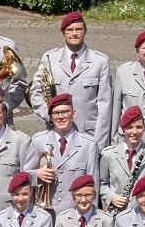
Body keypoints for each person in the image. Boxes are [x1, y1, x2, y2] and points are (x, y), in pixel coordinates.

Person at [30, 11, 114, 148]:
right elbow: (35, 93)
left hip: (88, 135)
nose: (74, 33)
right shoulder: (49, 59)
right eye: (70, 30)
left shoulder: (100, 61)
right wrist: (51, 116)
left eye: (78, 29)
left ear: (85, 31)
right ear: (63, 32)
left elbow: (105, 106)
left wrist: (100, 144)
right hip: (56, 133)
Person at [29, 93, 98, 214]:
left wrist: (90, 215)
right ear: (50, 117)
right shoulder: (38, 140)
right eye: (55, 113)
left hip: (75, 214)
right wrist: (37, 174)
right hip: (44, 214)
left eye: (65, 112)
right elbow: (24, 175)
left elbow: (93, 183)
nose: (60, 117)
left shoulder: (88, 144)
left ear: (74, 113)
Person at [99, 106, 145, 214]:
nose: (134, 132)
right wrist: (112, 197)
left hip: (144, 214)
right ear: (122, 129)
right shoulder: (108, 154)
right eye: (129, 127)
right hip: (117, 213)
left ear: (144, 128)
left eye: (138, 127)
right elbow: (101, 184)